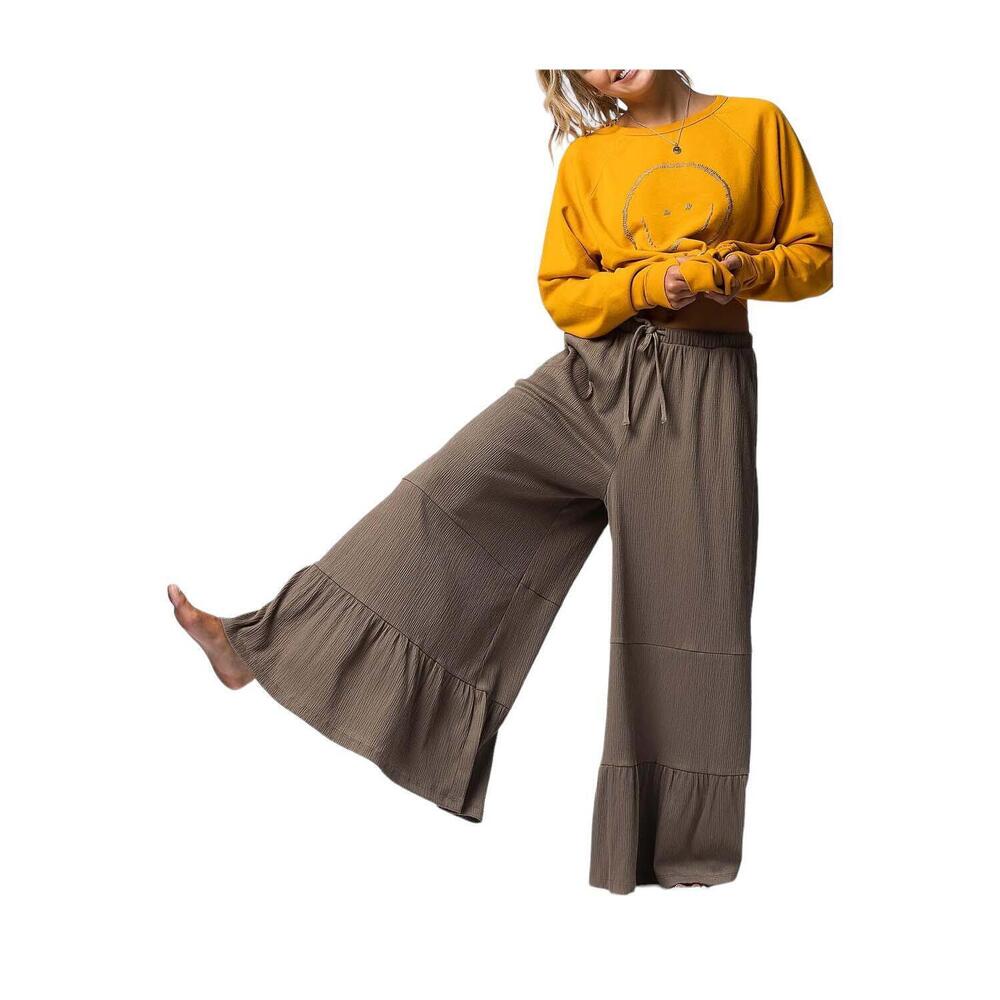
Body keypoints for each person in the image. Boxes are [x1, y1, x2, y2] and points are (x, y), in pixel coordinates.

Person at [168, 69, 833, 894]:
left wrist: (736, 274)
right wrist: (644, 284)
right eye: (585, 57)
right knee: (444, 501)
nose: (609, 59)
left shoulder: (757, 124)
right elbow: (564, 291)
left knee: (684, 621)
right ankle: (258, 649)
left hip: (700, 394)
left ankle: (672, 855)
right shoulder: (588, 160)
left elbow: (814, 257)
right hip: (591, 378)